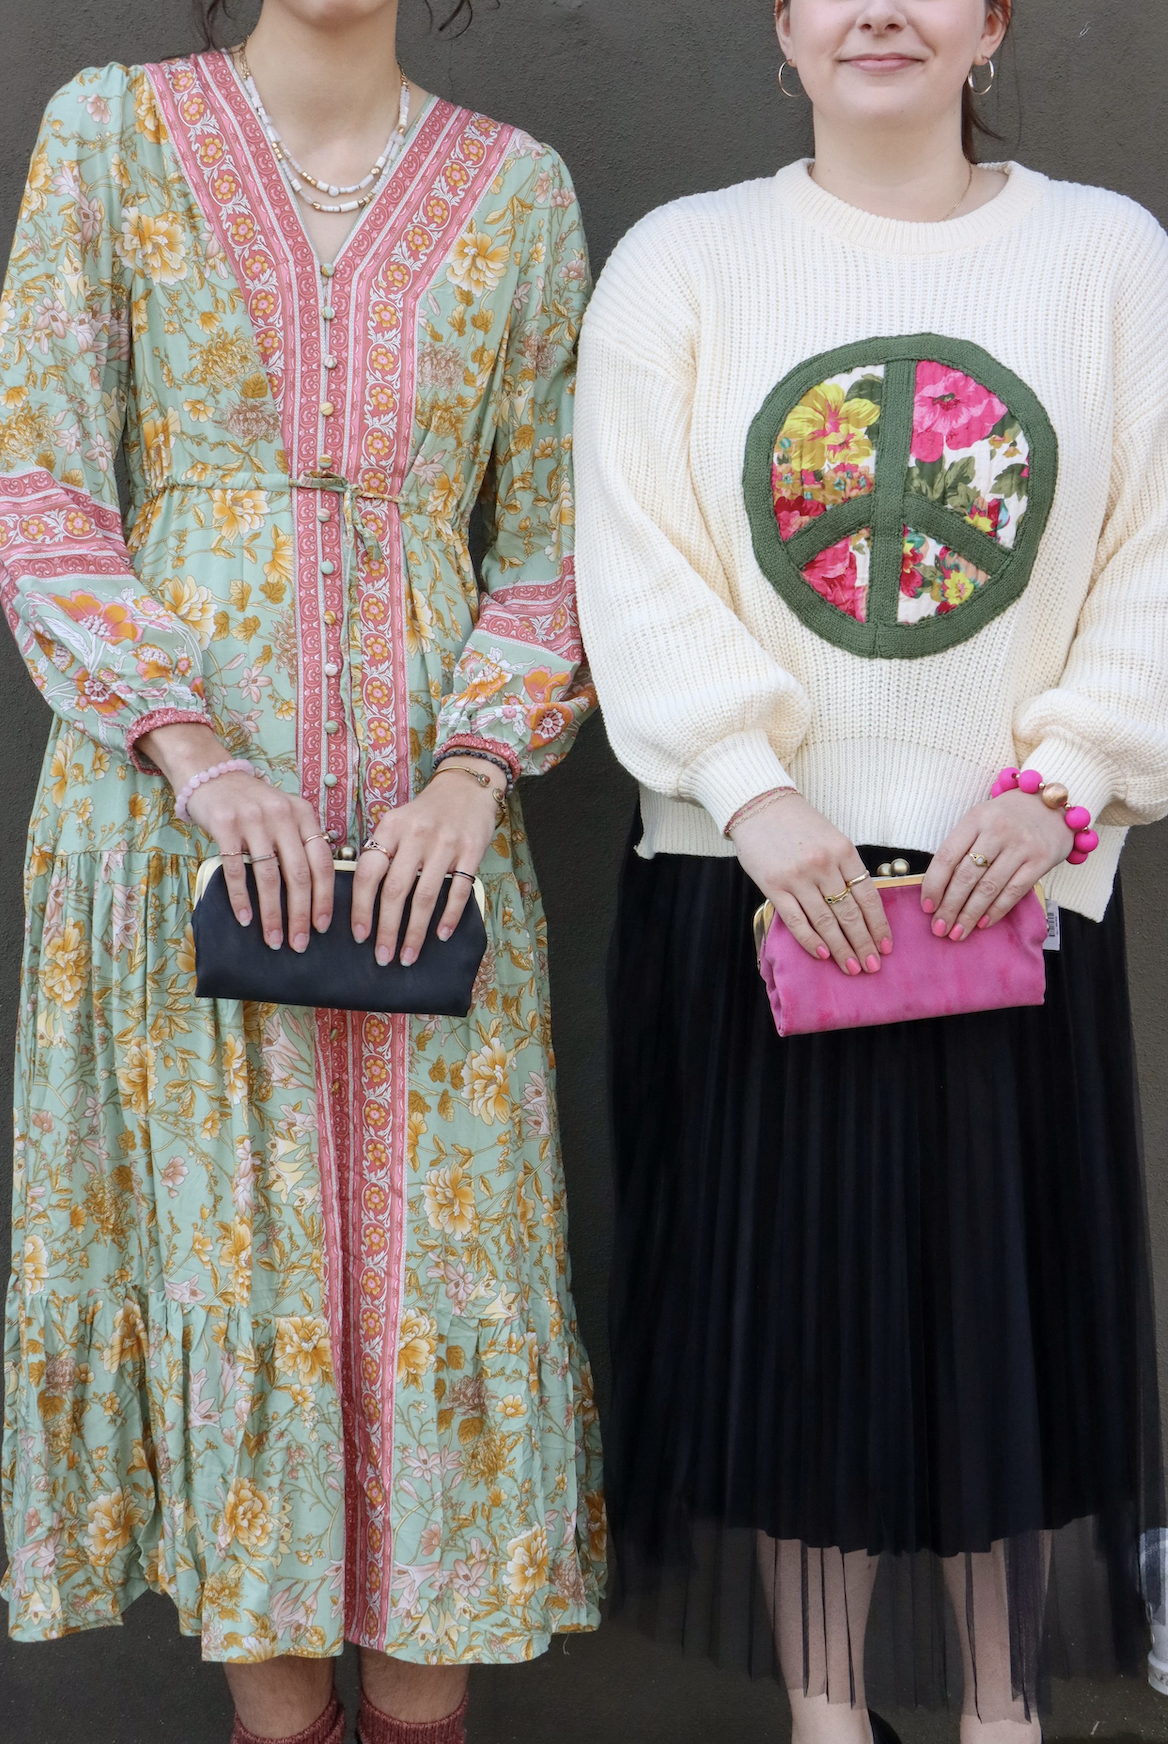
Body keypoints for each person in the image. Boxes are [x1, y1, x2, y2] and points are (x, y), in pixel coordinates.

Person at [0, 2, 605, 1740]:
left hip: (433, 853)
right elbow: (43, 488)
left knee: (434, 1288)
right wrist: (190, 748)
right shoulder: (110, 132)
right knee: (227, 1274)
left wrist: (479, 769)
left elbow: (557, 535)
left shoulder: (520, 190)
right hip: (166, 829)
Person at [575, 0, 1168, 1738]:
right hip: (755, 885)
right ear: (784, 24)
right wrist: (751, 787)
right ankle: (826, 1722)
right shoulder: (688, 263)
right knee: (794, 1341)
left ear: (992, 25)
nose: (879, 10)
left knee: (1003, 1330)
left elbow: (1159, 549)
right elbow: (633, 545)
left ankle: (1002, 1716)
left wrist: (1065, 785)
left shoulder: (1111, 257)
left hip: (1003, 886)